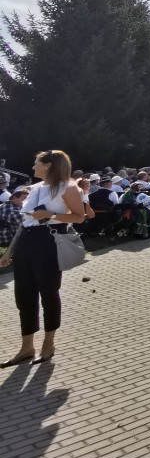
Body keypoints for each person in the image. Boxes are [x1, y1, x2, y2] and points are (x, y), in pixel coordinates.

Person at [0, 151, 85, 367]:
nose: (33, 167)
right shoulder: (35, 188)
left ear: (48, 165)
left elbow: (79, 217)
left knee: (49, 293)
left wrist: (51, 215)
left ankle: (49, 344)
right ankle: (27, 347)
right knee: (24, 295)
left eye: (36, 163)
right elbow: (25, 222)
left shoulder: (69, 187)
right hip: (26, 244)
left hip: (48, 243)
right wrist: (9, 251)